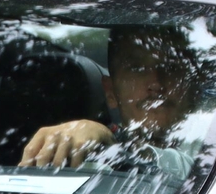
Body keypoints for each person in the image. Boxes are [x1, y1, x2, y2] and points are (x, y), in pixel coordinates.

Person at [19, 29, 205, 169]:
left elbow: (190, 170)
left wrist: (114, 144)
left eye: (171, 66)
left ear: (193, 88)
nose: (156, 83)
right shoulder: (86, 161)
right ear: (111, 93)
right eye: (137, 68)